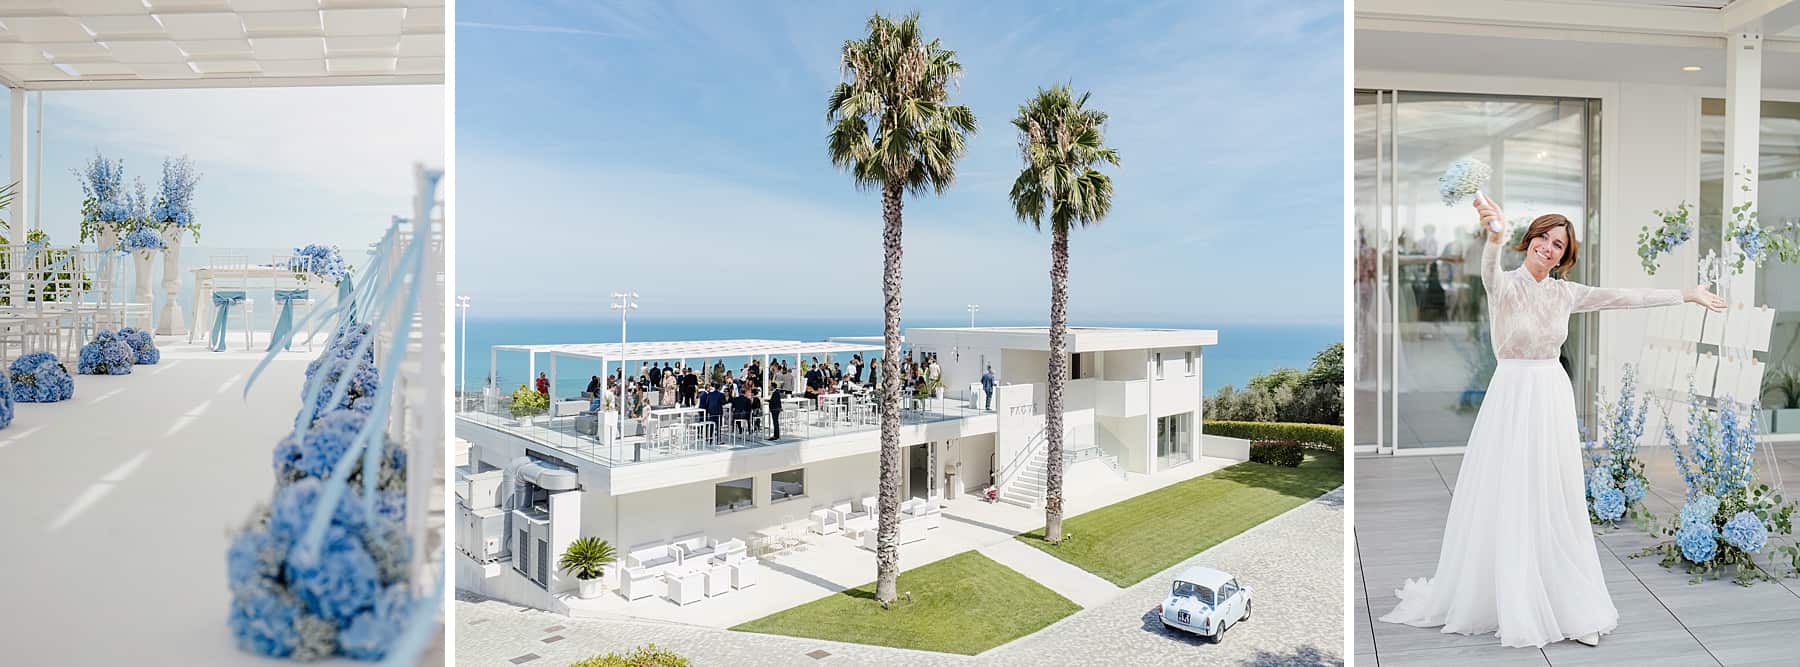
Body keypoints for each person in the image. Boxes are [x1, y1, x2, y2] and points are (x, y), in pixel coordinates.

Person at [1379, 197, 1725, 649]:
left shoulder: (1567, 293)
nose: (1548, 246)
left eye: (1558, 243)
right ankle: (1511, 597)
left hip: (1551, 397)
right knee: (1511, 492)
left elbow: (1625, 297)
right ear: (1529, 242)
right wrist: (1494, 235)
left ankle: (1565, 602)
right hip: (1511, 397)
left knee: (1554, 494)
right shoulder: (1502, 285)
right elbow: (1488, 266)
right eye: (1542, 237)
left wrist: (1686, 294)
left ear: (1566, 254)